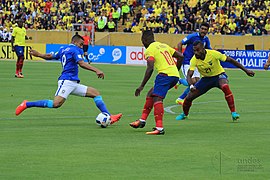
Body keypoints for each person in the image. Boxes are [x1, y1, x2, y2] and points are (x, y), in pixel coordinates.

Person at [15, 34, 122, 125]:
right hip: (66, 81)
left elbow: (50, 56)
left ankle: (109, 116)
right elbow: (81, 63)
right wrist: (96, 70)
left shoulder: (63, 49)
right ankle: (27, 104)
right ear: (75, 42)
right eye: (81, 44)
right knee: (56, 104)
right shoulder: (75, 50)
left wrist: (39, 54)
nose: (82, 47)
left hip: (73, 82)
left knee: (95, 93)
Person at [175, 40, 255, 121]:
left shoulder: (213, 54)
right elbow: (189, 74)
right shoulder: (194, 59)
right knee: (189, 97)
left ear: (203, 49)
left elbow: (230, 60)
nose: (196, 53)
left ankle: (234, 113)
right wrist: (191, 86)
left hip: (219, 76)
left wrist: (246, 70)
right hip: (206, 79)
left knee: (225, 87)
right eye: (194, 50)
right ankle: (185, 114)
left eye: (197, 50)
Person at [129, 30, 183, 135]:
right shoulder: (163, 45)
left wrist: (141, 86)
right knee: (151, 93)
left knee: (157, 98)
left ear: (144, 40)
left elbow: (150, 68)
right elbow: (180, 56)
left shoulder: (150, 49)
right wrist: (176, 70)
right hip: (174, 75)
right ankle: (142, 121)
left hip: (165, 75)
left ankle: (159, 128)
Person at [175, 22, 211, 105]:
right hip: (187, 61)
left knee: (198, 83)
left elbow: (209, 50)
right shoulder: (192, 36)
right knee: (192, 81)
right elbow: (180, 43)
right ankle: (180, 98)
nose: (203, 30)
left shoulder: (206, 39)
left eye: (205, 29)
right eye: (202, 29)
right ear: (199, 29)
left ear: (207, 31)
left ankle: (180, 82)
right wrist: (180, 55)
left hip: (197, 63)